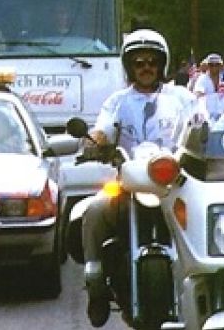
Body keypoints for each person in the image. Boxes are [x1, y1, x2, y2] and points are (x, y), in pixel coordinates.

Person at [78, 28, 198, 327]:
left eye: (151, 61)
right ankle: (96, 284)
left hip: (175, 184)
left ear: (162, 64)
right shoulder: (118, 101)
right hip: (128, 182)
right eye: (139, 62)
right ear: (130, 66)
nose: (146, 67)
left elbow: (200, 125)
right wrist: (95, 141)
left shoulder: (182, 97)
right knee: (93, 211)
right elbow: (103, 128)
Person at [192, 53, 224, 121]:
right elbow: (198, 92)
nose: (214, 67)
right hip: (209, 117)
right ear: (207, 66)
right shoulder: (203, 79)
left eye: (216, 65)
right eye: (211, 65)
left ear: (220, 66)